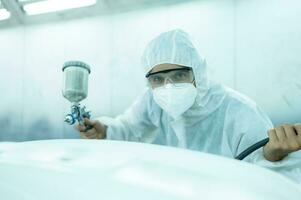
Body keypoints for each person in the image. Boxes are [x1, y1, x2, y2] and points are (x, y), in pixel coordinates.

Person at [75, 29, 301, 163]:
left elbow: (266, 175)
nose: (168, 86)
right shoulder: (152, 100)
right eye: (157, 79)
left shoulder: (239, 112)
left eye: (179, 75)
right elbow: (130, 128)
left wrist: (273, 155)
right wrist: (104, 130)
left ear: (198, 72)